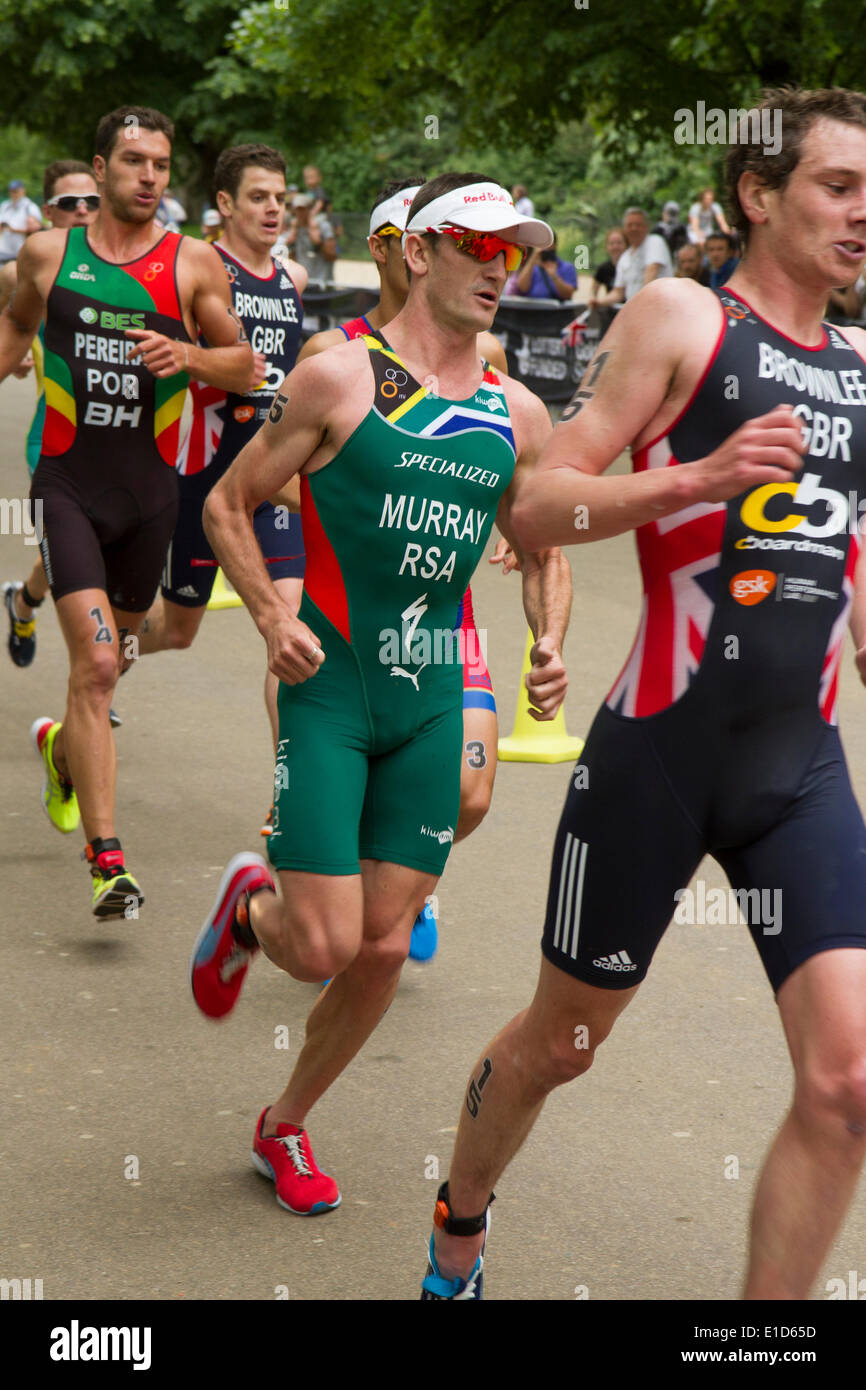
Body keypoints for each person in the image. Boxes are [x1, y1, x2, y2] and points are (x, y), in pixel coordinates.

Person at [419, 85, 866, 1302]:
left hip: (798, 773)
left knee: (848, 1083)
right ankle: (458, 1218)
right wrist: (697, 479)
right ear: (756, 194)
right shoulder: (682, 318)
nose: (860, 213)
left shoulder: (863, 367)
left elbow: (845, 546)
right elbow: (533, 500)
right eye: (837, 186)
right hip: (659, 757)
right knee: (561, 1045)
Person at [189, 173, 572, 1219]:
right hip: (332, 689)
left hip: (429, 704)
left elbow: (542, 546)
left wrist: (546, 640)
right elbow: (228, 503)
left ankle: (283, 1125)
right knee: (317, 943)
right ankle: (250, 911)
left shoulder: (515, 412)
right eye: (478, 247)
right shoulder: (337, 379)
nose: (502, 270)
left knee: (383, 946)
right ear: (416, 251)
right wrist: (272, 616)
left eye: (515, 254)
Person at [0, 105, 254, 918]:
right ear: (100, 168)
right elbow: (14, 324)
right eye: (135, 161)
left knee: (113, 664)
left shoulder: (194, 266)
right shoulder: (48, 254)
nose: (150, 177)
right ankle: (110, 862)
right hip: (68, 484)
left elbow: (246, 366)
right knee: (101, 665)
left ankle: (64, 753)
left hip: (153, 497)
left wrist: (191, 355)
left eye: (163, 166)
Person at [299, 176, 514, 961]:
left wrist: (509, 520)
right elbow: (295, 495)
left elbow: (509, 472)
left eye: (499, 252)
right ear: (396, 249)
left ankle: (396, 876)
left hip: (441, 628)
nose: (492, 266)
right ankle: (332, 879)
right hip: (348, 621)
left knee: (473, 790)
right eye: (389, 240)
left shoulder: (485, 351)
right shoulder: (335, 356)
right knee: (343, 936)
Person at [137, 143, 307, 828]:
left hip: (271, 483)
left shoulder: (292, 278)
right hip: (200, 481)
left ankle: (286, 798)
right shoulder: (197, 270)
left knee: (287, 631)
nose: (273, 210)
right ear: (227, 205)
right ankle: (109, 658)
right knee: (177, 631)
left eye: (282, 199)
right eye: (260, 197)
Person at [2, 162, 100, 668]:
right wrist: (16, 352)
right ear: (48, 213)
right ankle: (93, 680)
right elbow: (9, 322)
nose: (82, 211)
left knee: (81, 554)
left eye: (92, 202)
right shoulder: (22, 270)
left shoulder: (130, 267)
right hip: (54, 436)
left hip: (122, 441)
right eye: (69, 204)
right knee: (70, 554)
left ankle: (24, 600)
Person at [589, 207, 672, 309]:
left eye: (638, 225)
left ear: (646, 227)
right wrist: (599, 302)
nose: (634, 228)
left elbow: (651, 272)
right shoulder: (625, 257)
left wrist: (640, 305)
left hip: (657, 309)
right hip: (637, 312)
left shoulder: (654, 242)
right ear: (625, 228)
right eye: (630, 225)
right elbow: (618, 292)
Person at [508, 236, 576, 301]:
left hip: (557, 312)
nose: (545, 249)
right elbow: (522, 288)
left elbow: (568, 295)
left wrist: (554, 275)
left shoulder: (567, 267)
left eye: (548, 245)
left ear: (555, 246)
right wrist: (533, 258)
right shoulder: (533, 268)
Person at [0, 180, 42, 266]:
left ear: (23, 191)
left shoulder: (30, 207)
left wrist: (13, 230)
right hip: (4, 251)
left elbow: (36, 229)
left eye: (16, 191)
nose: (14, 194)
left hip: (21, 250)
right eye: (11, 191)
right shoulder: (5, 206)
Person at [590, 226, 626, 297]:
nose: (615, 247)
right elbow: (593, 291)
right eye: (612, 244)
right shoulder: (603, 268)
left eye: (619, 243)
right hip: (612, 305)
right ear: (606, 247)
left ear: (626, 245)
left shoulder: (632, 265)